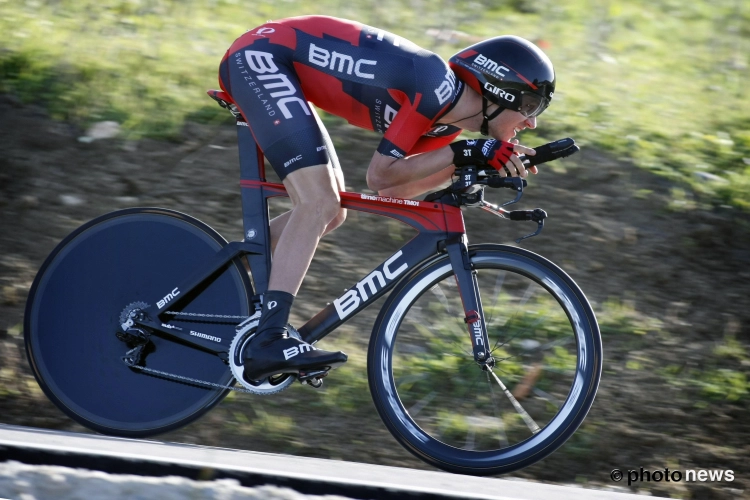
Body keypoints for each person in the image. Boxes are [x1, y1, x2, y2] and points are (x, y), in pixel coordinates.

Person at [218, 15, 555, 381]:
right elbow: (379, 173)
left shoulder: (443, 127)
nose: (532, 123)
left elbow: (392, 191)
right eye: (530, 106)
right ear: (500, 92)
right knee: (318, 204)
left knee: (330, 213)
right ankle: (269, 339)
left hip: (275, 63)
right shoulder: (434, 83)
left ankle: (213, 283)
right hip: (260, 57)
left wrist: (469, 163)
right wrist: (467, 151)